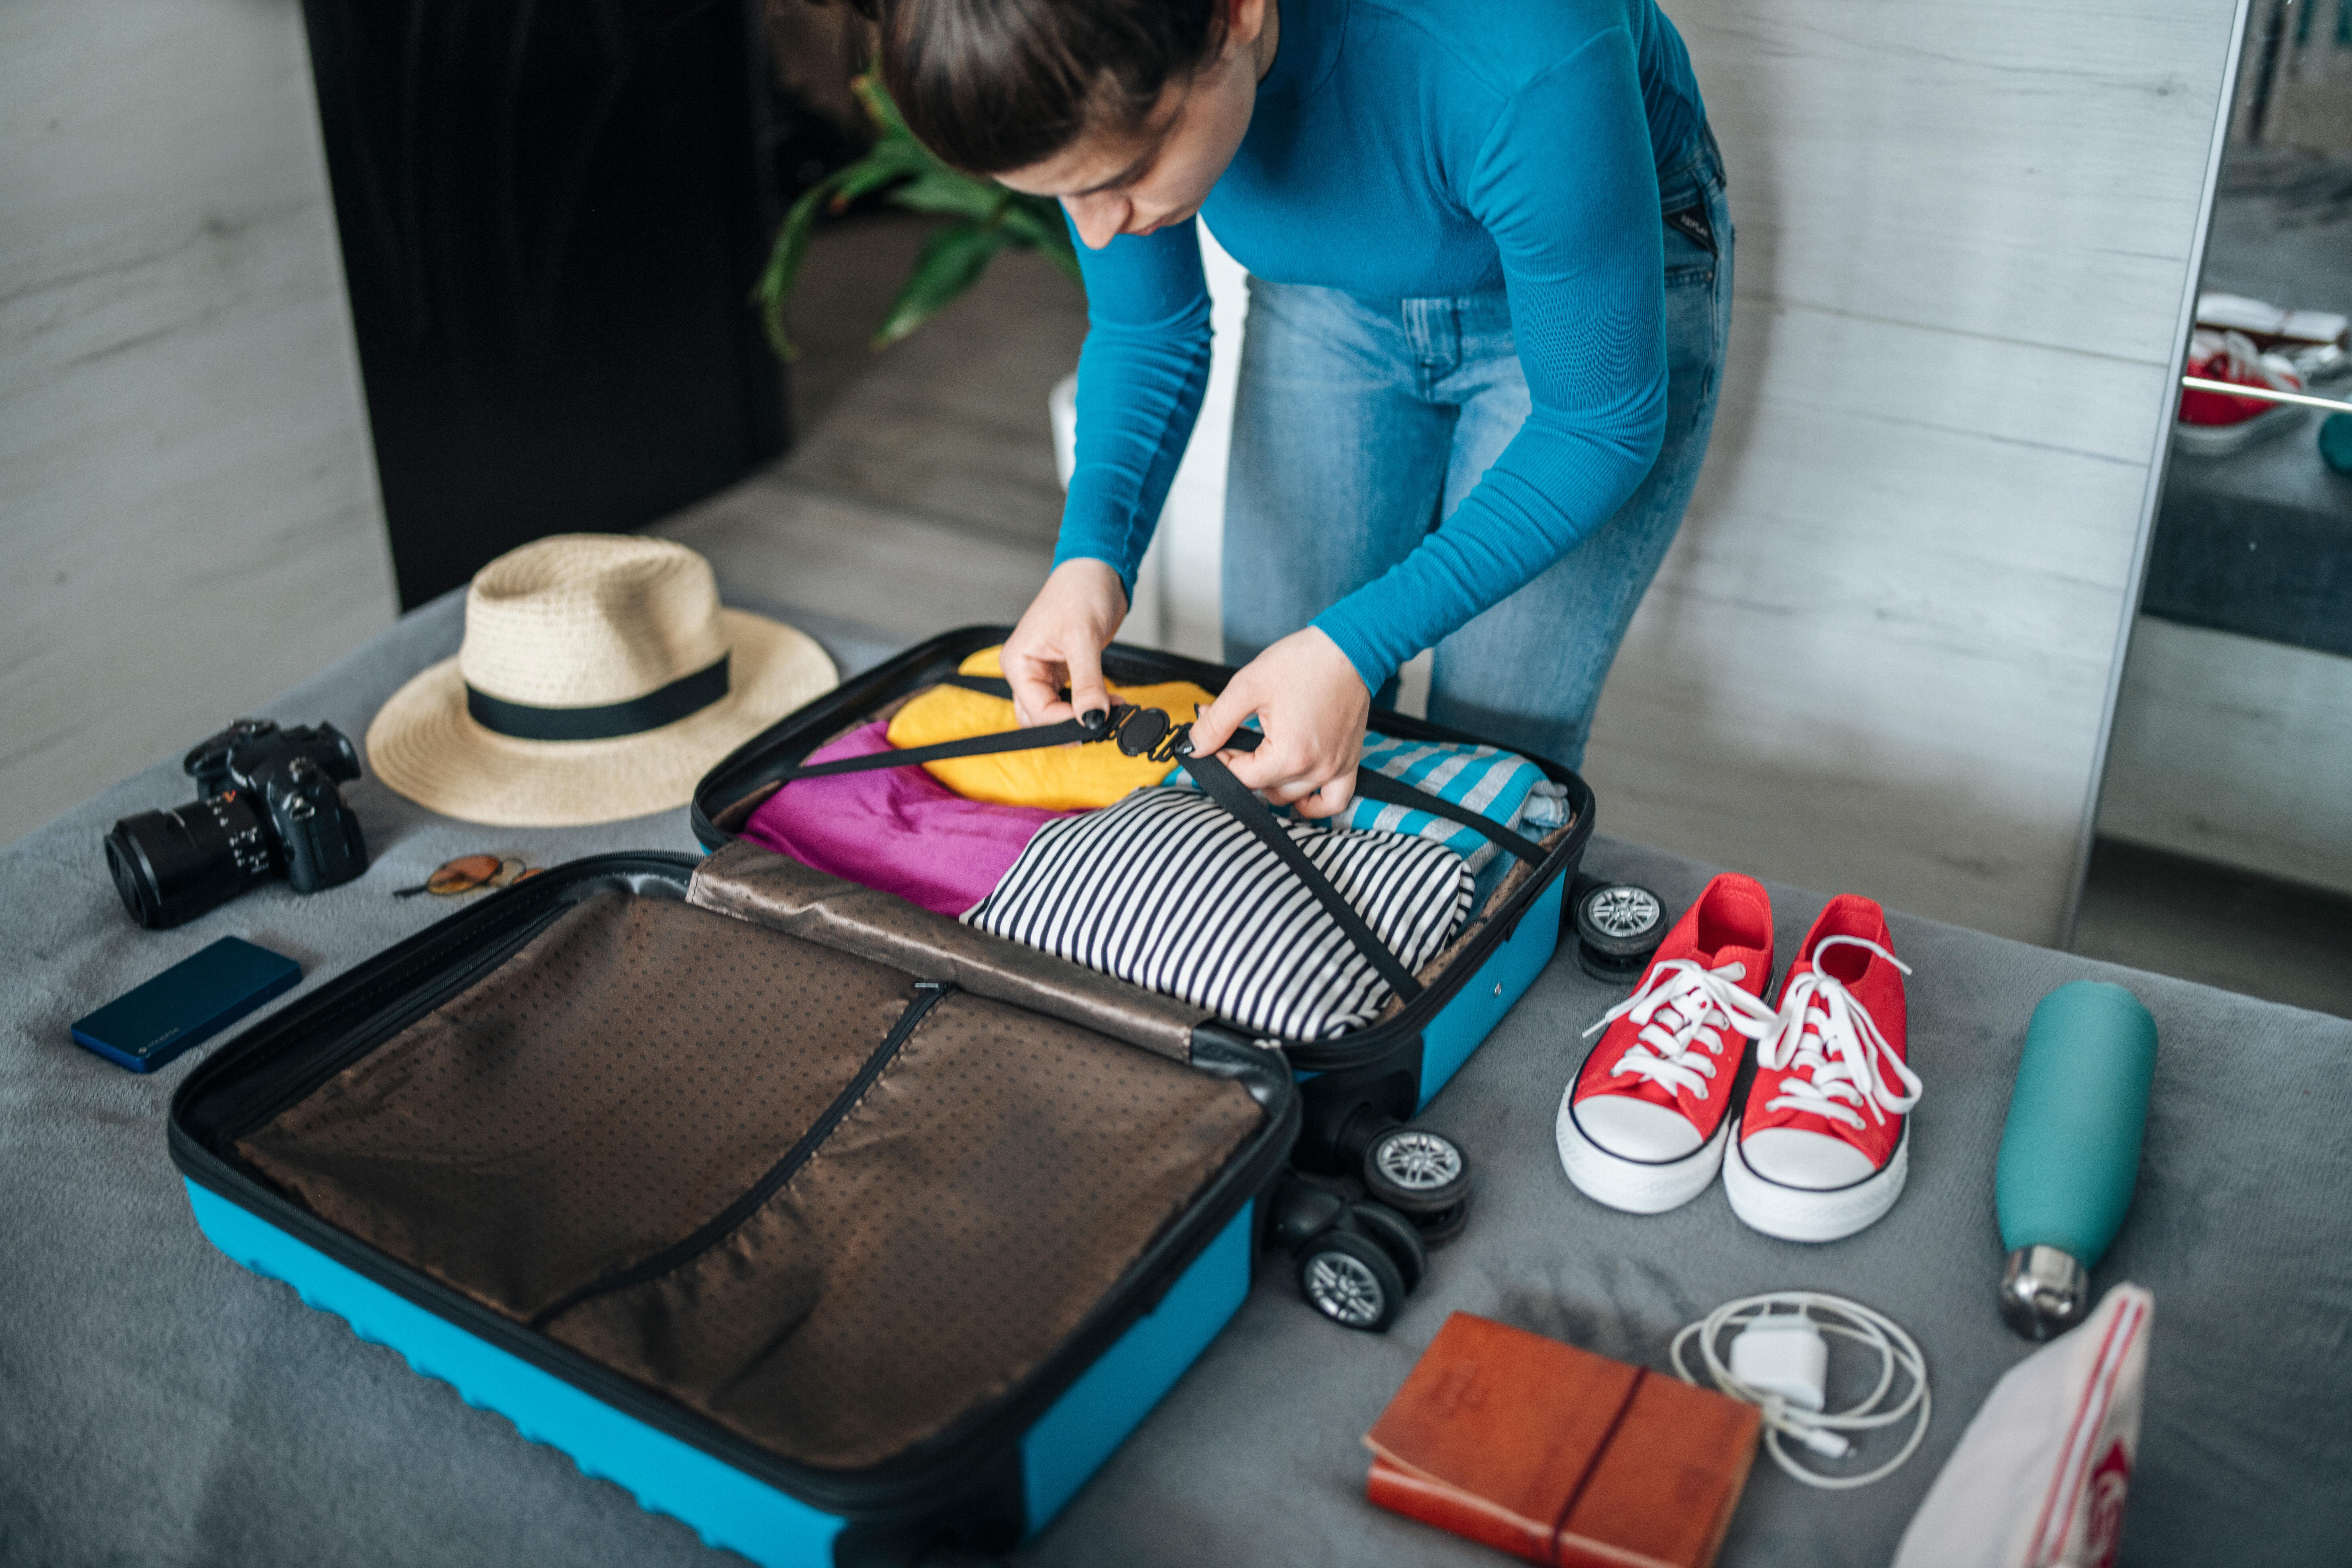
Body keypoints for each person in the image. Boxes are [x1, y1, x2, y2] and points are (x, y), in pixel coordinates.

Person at [853, 0, 1730, 816]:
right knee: (1271, 734)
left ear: (1237, 10)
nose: (1093, 229)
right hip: (1330, 291)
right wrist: (1091, 558)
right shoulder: (1096, 41)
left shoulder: (1522, 47)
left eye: (1125, 174)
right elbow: (1149, 328)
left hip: (1583, 315)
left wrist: (1357, 643)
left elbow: (1597, 424)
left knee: (1489, 767)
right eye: (1055, 193)